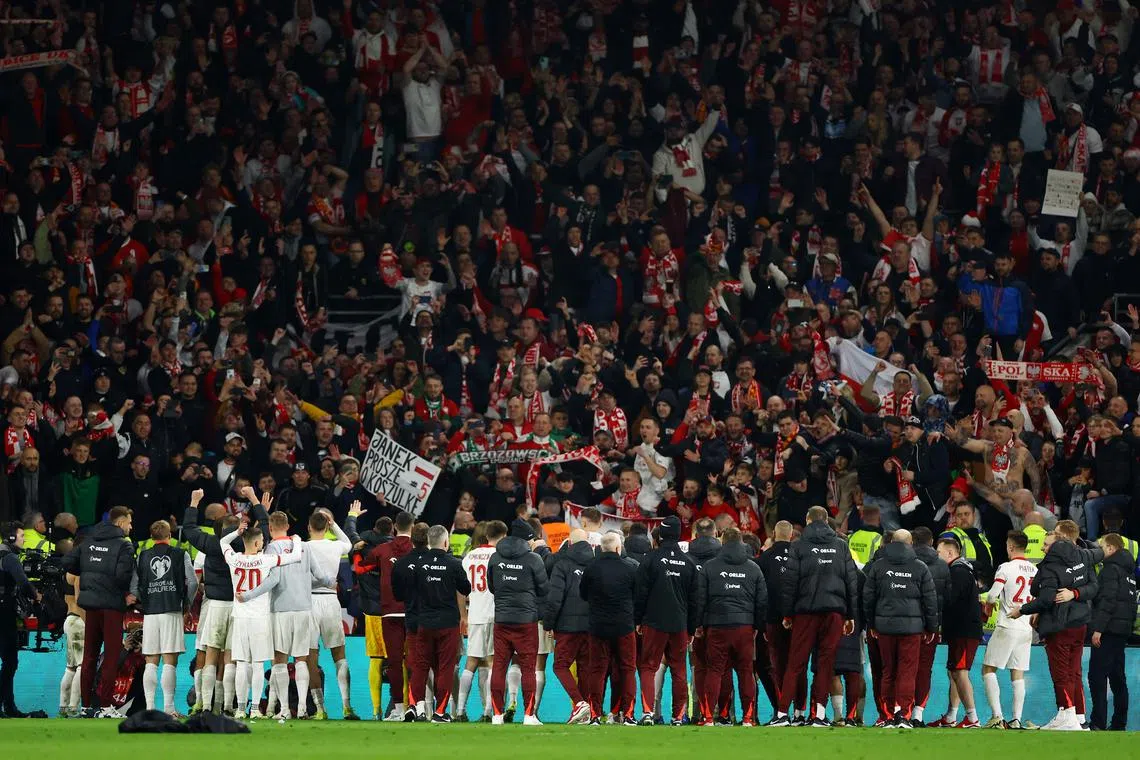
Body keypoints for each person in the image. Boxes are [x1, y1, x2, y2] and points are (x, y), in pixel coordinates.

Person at [770, 506, 858, 727]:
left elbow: (790, 583)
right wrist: (851, 615)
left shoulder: (798, 546)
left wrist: (787, 613)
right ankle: (818, 714)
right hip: (834, 611)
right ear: (827, 521)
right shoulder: (841, 546)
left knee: (795, 663)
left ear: (808, 520)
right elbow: (851, 582)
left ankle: (782, 714)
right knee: (826, 663)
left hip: (806, 612)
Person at [1011, 520, 1102, 731]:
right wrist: (1076, 593)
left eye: (1047, 543)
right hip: (1079, 621)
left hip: (1061, 623)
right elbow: (1092, 585)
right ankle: (1077, 716)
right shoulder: (1083, 558)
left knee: (1062, 672)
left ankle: (1067, 713)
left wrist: (1025, 610)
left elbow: (1042, 595)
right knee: (1073, 671)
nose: (1043, 547)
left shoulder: (1052, 566)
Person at [220, 514, 304, 719]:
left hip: (239, 617)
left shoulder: (234, 558)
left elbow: (223, 542)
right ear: (257, 543)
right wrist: (297, 540)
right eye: (262, 542)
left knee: (241, 663)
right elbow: (295, 556)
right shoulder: (265, 559)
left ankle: (240, 708)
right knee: (258, 664)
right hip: (260, 618)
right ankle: (255, 708)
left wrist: (236, 532)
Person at [863, 529, 939, 728]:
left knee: (888, 671)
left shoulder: (878, 567)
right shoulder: (920, 567)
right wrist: (931, 628)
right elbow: (930, 601)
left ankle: (888, 716)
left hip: (884, 628)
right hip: (911, 630)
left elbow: (868, 598)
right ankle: (903, 715)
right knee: (907, 672)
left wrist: (871, 624)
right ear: (911, 542)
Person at [63, 505, 135, 717]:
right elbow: (123, 577)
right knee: (112, 657)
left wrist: (90, 572)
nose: (131, 526)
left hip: (90, 605)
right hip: (111, 606)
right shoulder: (124, 546)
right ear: (120, 522)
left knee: (89, 656)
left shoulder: (88, 541)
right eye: (129, 522)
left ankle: (86, 706)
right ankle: (104, 707)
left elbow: (68, 562)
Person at [264, 508, 333, 721]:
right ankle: (302, 707)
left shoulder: (270, 549)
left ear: (270, 528)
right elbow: (320, 575)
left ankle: (284, 708)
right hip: (304, 608)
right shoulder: (303, 547)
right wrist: (332, 583)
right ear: (287, 526)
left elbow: (270, 578)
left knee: (280, 659)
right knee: (302, 659)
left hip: (281, 609)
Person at [635, 515, 700, 725]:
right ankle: (678, 716)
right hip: (679, 623)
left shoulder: (650, 559)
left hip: (654, 621)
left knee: (648, 666)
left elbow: (641, 593)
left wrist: (638, 619)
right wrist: (691, 629)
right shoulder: (689, 563)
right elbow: (695, 600)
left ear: (660, 535)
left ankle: (647, 713)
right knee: (679, 668)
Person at [182, 492, 244, 715]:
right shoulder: (246, 546)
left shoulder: (210, 544)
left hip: (214, 605)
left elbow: (188, 530)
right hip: (237, 607)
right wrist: (258, 506)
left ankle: (206, 705)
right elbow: (265, 531)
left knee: (209, 654)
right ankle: (225, 706)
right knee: (229, 657)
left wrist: (194, 503)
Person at [698, 527, 767, 726]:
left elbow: (701, 599)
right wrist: (757, 626)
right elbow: (761, 601)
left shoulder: (710, 567)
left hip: (717, 626)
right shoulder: (753, 568)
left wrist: (699, 625)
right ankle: (748, 718)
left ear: (722, 541)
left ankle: (709, 717)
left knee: (715, 670)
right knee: (746, 671)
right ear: (741, 543)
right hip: (744, 627)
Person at [487, 519, 548, 725]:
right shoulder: (534, 560)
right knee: (528, 668)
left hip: (502, 619)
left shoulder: (495, 557)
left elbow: (492, 586)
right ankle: (529, 715)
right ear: (527, 539)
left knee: (499, 666)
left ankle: (496, 715)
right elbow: (544, 589)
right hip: (526, 621)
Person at [133, 519, 197, 715]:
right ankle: (169, 708)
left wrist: (143, 603)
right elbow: (193, 582)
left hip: (151, 612)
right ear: (169, 536)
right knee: (170, 660)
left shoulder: (142, 556)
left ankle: (150, 708)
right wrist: (187, 604)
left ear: (152, 538)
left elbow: (134, 586)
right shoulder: (180, 554)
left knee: (151, 660)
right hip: (172, 610)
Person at [408, 524, 470, 722]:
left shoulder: (418, 563)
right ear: (446, 542)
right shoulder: (453, 564)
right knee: (445, 667)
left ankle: (415, 706)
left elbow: (410, 591)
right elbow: (466, 588)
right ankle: (440, 712)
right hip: (448, 623)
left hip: (424, 622)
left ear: (428, 542)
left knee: (420, 666)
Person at [579, 532, 638, 726]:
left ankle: (595, 714)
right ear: (618, 548)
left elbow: (583, 594)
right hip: (624, 626)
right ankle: (628, 714)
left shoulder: (591, 568)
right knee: (627, 669)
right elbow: (637, 596)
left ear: (600, 548)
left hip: (598, 627)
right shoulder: (630, 568)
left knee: (596, 670)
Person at [981, 531, 1038, 729]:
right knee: (1018, 673)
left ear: (1011, 547)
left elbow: (993, 594)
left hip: (1007, 625)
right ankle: (1016, 719)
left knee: (988, 669)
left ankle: (997, 716)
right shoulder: (1034, 569)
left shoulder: (1006, 568)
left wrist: (988, 605)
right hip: (1026, 628)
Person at [304, 507, 356, 719]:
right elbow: (350, 544)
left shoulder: (303, 547)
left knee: (310, 657)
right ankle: (346, 706)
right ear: (326, 527)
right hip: (330, 600)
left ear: (309, 527)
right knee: (339, 656)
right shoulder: (335, 546)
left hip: (308, 601)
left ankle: (319, 709)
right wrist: (334, 523)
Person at [929, 536, 983, 728]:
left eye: (939, 552)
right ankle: (951, 715)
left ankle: (973, 718)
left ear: (950, 553)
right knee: (954, 672)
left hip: (964, 630)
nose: (937, 556)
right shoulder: (963, 569)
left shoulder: (958, 571)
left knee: (960, 672)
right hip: (960, 630)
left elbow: (951, 599)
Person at [542, 527, 594, 725]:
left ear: (569, 544)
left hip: (567, 626)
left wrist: (548, 623)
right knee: (585, 668)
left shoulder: (562, 564)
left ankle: (580, 703)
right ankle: (587, 710)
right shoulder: (595, 564)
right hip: (590, 626)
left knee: (560, 666)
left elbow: (555, 598)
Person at [458, 520, 507, 722]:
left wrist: (463, 615)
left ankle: (459, 711)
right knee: (493, 662)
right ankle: (488, 712)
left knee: (471, 663)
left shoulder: (469, 556)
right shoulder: (500, 556)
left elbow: (461, 589)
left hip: (475, 613)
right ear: (502, 536)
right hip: (496, 615)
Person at [1087, 533, 1138, 731]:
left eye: (1101, 547)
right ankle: (1119, 722)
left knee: (1097, 676)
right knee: (1118, 677)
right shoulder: (1129, 573)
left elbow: (1107, 601)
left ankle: (1098, 722)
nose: (1099, 551)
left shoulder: (1110, 570)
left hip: (1107, 630)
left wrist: (1098, 628)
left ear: (1110, 548)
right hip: (1122, 631)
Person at [368, 510, 415, 720]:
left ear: (395, 526)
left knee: (394, 661)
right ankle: (418, 706)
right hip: (414, 612)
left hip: (389, 613)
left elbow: (361, 566)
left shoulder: (382, 549)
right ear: (412, 526)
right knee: (417, 661)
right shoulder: (418, 550)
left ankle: (397, 709)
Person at [910, 526, 949, 726]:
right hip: (931, 627)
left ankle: (901, 712)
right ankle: (918, 713)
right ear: (932, 542)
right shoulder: (942, 566)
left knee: (905, 669)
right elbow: (945, 599)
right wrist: (937, 625)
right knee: (924, 670)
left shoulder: (905, 562)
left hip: (907, 624)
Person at [1, 521, 37, 717]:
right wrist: (35, 596)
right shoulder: (10, 558)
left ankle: (9, 707)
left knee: (7, 661)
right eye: (22, 536)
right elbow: (23, 583)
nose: (24, 540)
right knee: (10, 661)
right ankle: (5, 705)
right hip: (4, 611)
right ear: (12, 538)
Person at [59, 561, 85, 717]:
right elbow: (80, 600)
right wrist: (89, 623)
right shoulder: (80, 572)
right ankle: (74, 708)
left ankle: (63, 707)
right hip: (79, 620)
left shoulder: (67, 571)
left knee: (70, 667)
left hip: (69, 620)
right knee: (82, 665)